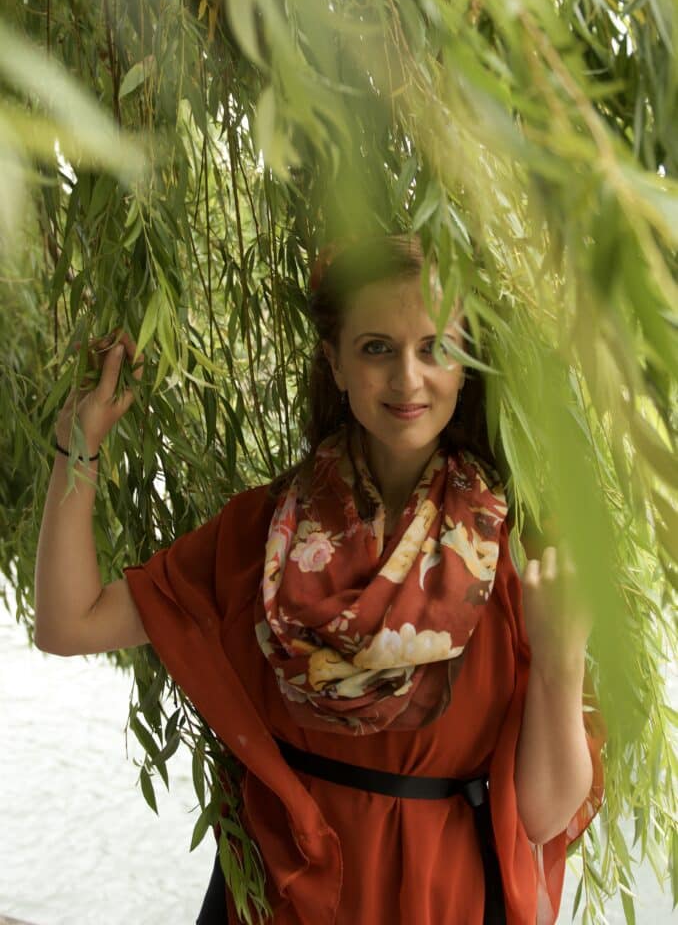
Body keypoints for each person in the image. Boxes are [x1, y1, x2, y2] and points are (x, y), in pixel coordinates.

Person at [34, 233, 605, 925]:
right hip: (283, 892)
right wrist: (79, 445)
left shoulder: (519, 553)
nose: (407, 378)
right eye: (376, 348)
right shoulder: (263, 533)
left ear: (468, 368)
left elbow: (544, 815)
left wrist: (560, 656)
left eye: (435, 349)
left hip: (436, 899)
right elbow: (70, 623)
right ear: (333, 362)